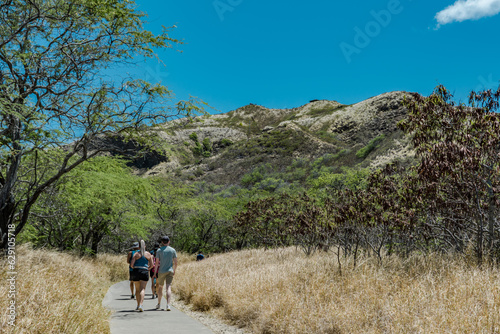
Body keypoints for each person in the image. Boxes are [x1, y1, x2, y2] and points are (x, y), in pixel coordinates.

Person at [153, 235, 177, 311]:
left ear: (162, 242)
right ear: (169, 242)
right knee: (168, 287)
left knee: (160, 287)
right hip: (170, 270)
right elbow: (175, 262)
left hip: (161, 271)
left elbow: (156, 263)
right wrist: (174, 270)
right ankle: (168, 305)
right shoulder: (173, 250)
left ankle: (159, 304)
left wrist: (154, 273)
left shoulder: (159, 251)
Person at [130, 239, 154, 312]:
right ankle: (141, 304)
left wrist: (134, 268)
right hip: (145, 271)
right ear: (145, 246)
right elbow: (152, 265)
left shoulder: (136, 254)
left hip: (136, 271)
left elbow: (131, 265)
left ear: (139, 246)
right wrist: (148, 268)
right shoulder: (148, 254)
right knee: (142, 289)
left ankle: (137, 305)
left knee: (137, 289)